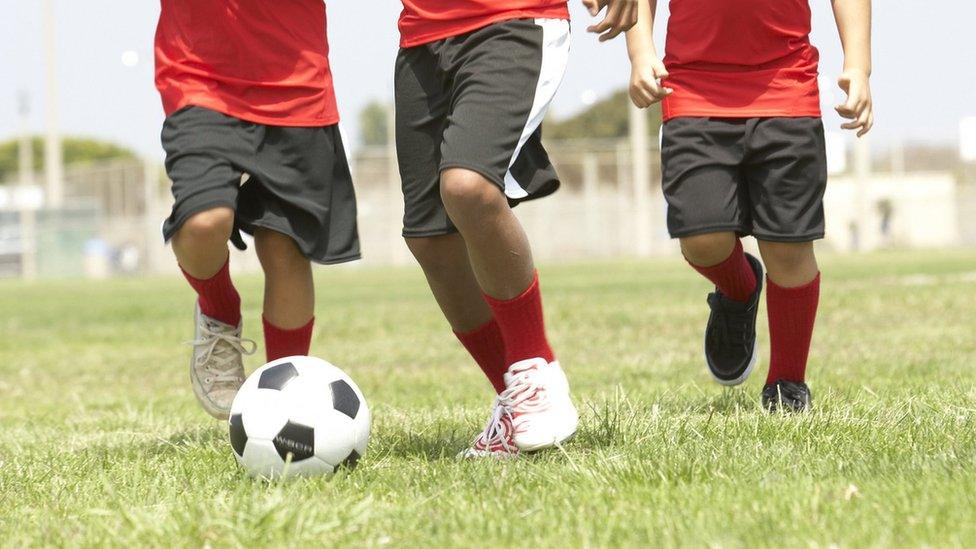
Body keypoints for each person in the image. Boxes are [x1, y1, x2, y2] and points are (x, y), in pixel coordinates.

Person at [393, 0, 637, 456]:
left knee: (468, 188)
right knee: (430, 240)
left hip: (513, 20)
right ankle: (516, 401)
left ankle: (532, 364)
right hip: (421, 36)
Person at [623, 0, 874, 410]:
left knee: (789, 248)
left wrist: (858, 66)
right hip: (692, 89)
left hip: (787, 88)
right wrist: (640, 52)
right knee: (701, 237)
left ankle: (787, 383)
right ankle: (739, 289)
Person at [154, 0, 360, 419]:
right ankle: (218, 311)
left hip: (296, 85)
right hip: (201, 79)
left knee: (286, 249)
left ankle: (281, 404)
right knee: (203, 221)